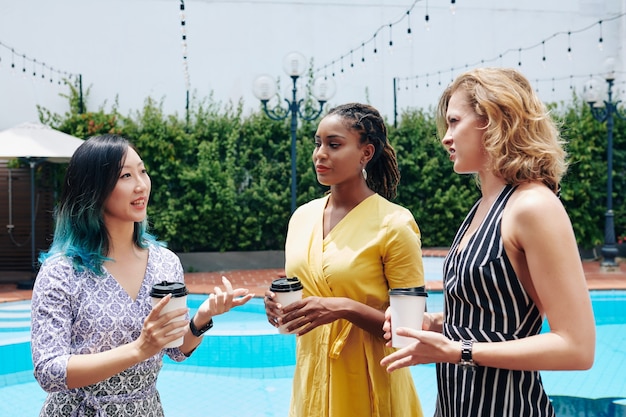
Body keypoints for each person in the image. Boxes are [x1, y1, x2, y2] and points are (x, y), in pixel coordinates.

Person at [380, 68, 596, 417]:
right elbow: (491, 314)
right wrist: (433, 324)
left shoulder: (533, 206)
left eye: (454, 122)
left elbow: (577, 347)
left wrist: (459, 351)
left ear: (495, 120)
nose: (445, 138)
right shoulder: (483, 208)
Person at [30, 134, 254, 416]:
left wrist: (202, 318)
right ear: (94, 189)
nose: (141, 185)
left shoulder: (165, 263)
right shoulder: (61, 272)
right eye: (126, 175)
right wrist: (139, 348)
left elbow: (175, 349)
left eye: (143, 171)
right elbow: (48, 371)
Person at [264, 103, 425, 416]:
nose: (320, 154)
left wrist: (343, 308)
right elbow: (302, 291)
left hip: (372, 384)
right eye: (318, 143)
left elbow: (411, 330)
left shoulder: (394, 224)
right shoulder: (301, 218)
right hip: (311, 383)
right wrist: (276, 306)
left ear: (365, 153)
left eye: (334, 145)